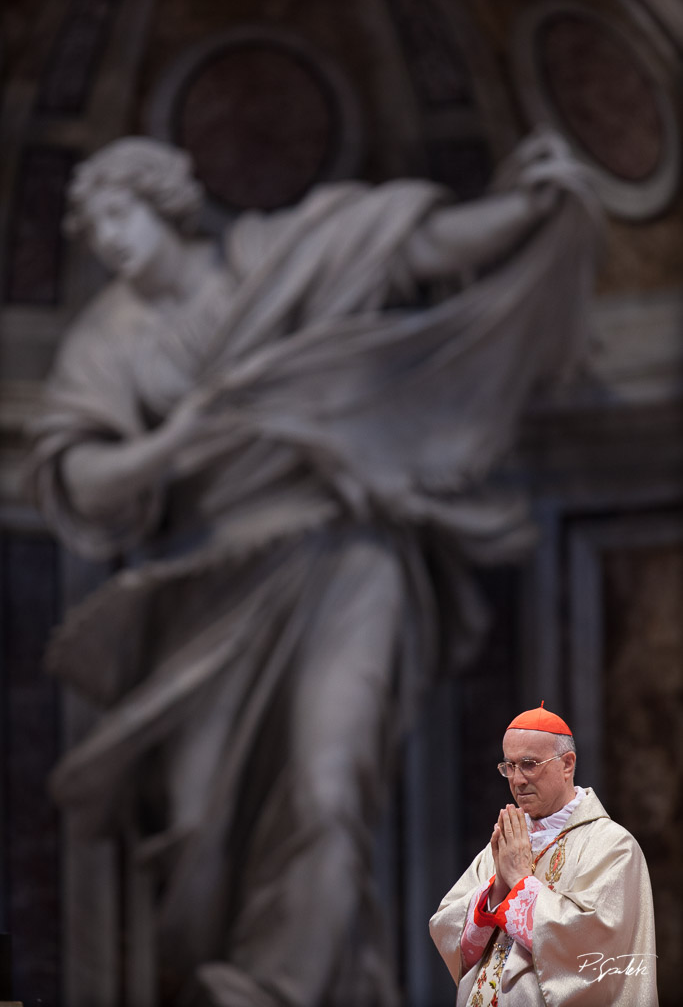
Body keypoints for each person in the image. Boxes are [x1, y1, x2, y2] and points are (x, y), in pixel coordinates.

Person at [28, 133, 602, 1007]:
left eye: (116, 213)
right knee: (195, 825)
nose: (105, 238)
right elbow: (75, 474)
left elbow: (413, 245)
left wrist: (522, 208)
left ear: (163, 202)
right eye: (90, 225)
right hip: (207, 586)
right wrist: (175, 443)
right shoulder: (110, 343)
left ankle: (276, 990)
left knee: (329, 793)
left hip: (341, 557)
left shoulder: (278, 255)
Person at [429, 703, 658, 1006]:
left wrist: (520, 882)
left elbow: (595, 947)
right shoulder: (508, 842)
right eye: (508, 766)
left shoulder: (612, 846)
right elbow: (447, 927)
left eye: (529, 764)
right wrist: (497, 888)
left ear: (567, 764)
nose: (517, 779)